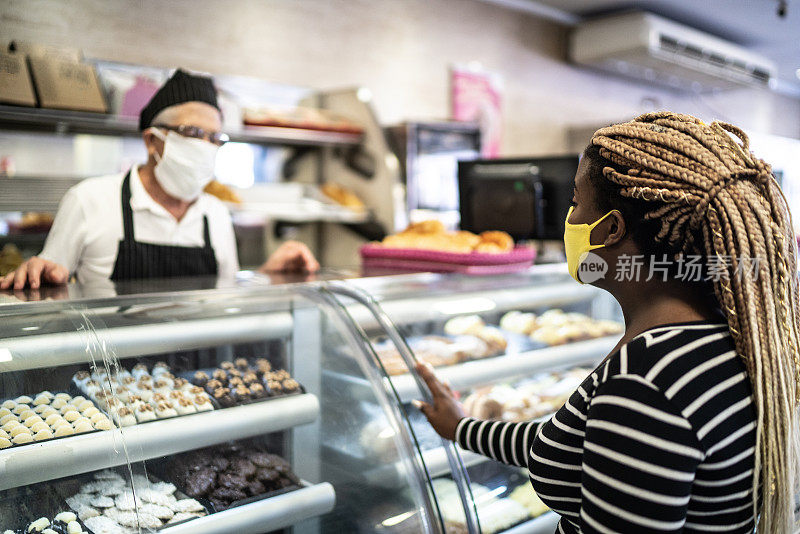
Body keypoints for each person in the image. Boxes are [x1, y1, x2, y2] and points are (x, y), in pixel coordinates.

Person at [415, 112, 800, 533]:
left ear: (610, 229)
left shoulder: (647, 381)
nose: (570, 218)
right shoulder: (719, 340)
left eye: (576, 203)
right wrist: (462, 428)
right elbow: (573, 444)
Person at [0, 69, 319, 290]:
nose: (205, 146)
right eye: (193, 133)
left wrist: (267, 275)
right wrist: (36, 272)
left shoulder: (216, 213)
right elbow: (47, 288)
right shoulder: (89, 200)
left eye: (215, 137)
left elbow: (224, 299)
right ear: (152, 141)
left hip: (194, 380)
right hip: (108, 377)